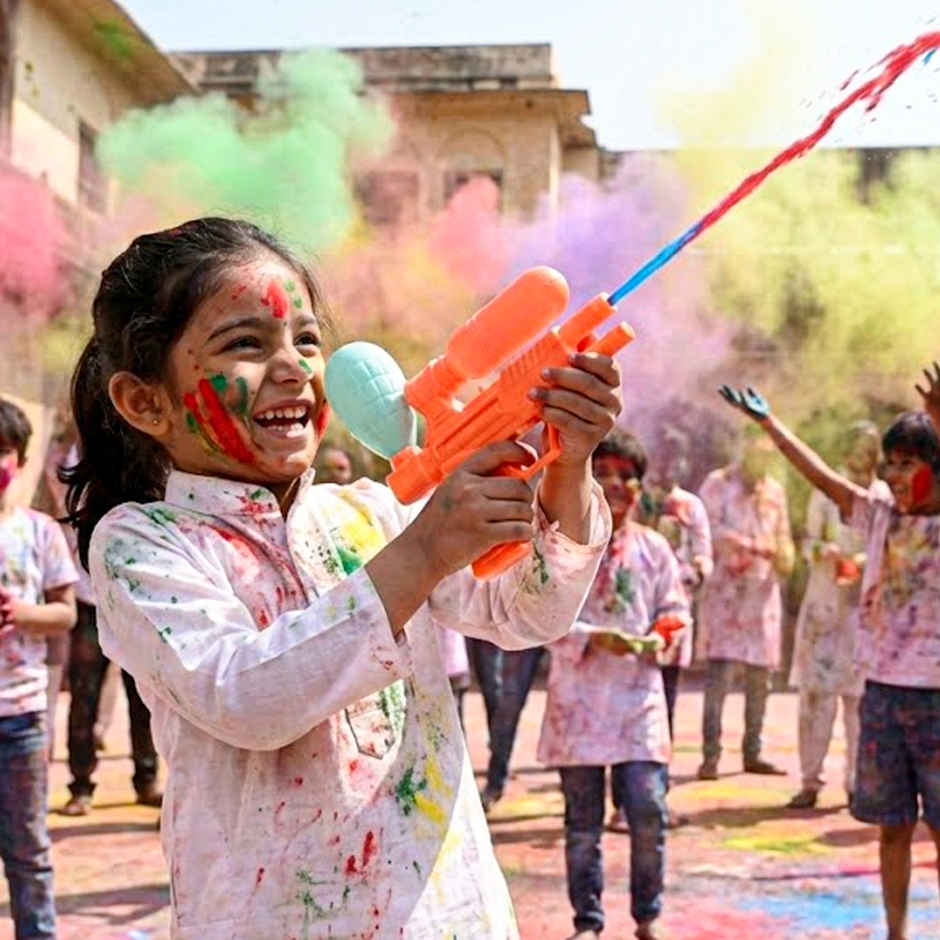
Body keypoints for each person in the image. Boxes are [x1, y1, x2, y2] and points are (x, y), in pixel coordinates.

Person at [62, 217, 622, 939]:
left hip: (447, 917)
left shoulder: (373, 512)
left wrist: (566, 468)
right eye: (245, 344)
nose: (295, 367)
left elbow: (527, 614)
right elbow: (246, 697)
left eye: (305, 339)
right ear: (145, 401)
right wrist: (420, 554)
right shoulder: (142, 546)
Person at [719, 372, 940, 940]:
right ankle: (896, 931)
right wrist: (770, 424)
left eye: (907, 462)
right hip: (884, 694)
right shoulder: (878, 516)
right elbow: (818, 473)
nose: (891, 475)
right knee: (892, 827)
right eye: (888, 463)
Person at [538, 429, 690, 940]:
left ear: (642, 488)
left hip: (637, 703)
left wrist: (659, 635)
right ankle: (588, 922)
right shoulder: (557, 546)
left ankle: (647, 916)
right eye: (602, 473)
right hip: (576, 704)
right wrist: (596, 640)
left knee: (648, 809)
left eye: (627, 476)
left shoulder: (657, 550)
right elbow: (537, 617)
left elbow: (675, 610)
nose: (615, 484)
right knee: (583, 824)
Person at [41, 425, 162, 816]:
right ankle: (80, 786)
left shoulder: (135, 453)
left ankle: (147, 779)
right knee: (83, 696)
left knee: (143, 697)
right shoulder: (61, 455)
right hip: (86, 599)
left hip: (134, 601)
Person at [0, 397, 78, 940]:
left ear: (19, 458)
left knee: (27, 849)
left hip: (20, 717)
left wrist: (22, 613)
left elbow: (65, 612)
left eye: (1, 452)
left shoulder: (40, 533)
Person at [787, 421, 890, 809]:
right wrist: (825, 553)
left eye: (871, 451)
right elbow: (808, 543)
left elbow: (893, 548)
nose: (865, 458)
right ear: (847, 452)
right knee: (815, 699)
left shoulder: (883, 496)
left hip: (866, 612)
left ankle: (857, 782)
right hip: (825, 605)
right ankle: (810, 780)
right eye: (859, 450)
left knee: (860, 704)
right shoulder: (827, 492)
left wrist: (866, 561)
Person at [697, 423, 794, 780]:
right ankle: (711, 756)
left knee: (760, 679)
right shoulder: (717, 484)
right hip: (727, 591)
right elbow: (705, 528)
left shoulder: (775, 492)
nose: (763, 463)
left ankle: (754, 752)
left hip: (762, 592)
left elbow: (783, 538)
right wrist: (745, 545)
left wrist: (784, 555)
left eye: (769, 457)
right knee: (719, 676)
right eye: (758, 455)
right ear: (745, 451)